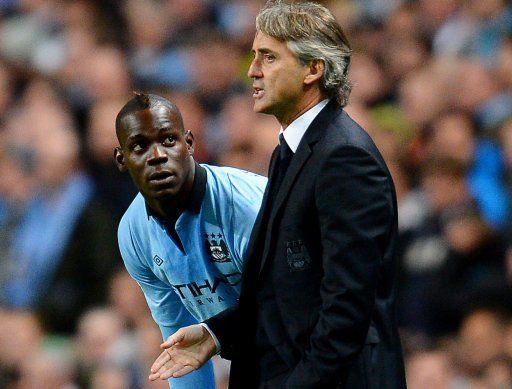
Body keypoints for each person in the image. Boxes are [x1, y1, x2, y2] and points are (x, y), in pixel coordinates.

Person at [149, 1, 406, 388]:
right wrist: (217, 335)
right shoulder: (291, 152)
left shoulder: (345, 157)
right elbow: (278, 293)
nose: (252, 70)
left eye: (268, 58)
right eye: (254, 56)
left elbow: (347, 312)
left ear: (313, 69)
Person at [114, 92, 267, 388]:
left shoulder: (246, 206)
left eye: (168, 140)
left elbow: (287, 304)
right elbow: (180, 344)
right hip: (250, 351)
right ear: (122, 159)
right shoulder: (133, 233)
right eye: (140, 146)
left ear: (190, 143)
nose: (157, 155)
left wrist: (214, 335)